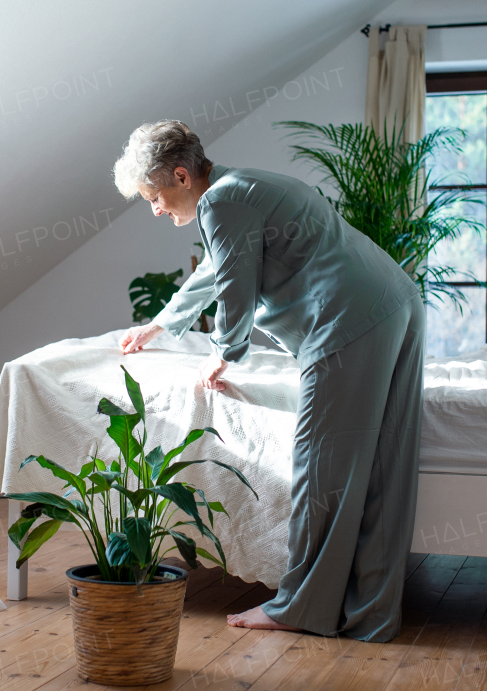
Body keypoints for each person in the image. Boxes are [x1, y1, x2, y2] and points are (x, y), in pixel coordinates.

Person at [113, 120, 425, 643]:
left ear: (182, 176)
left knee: (321, 461)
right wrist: (162, 324)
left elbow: (235, 286)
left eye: (153, 197)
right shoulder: (238, 186)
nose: (156, 209)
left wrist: (224, 353)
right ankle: (371, 609)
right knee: (380, 468)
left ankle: (301, 606)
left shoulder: (221, 203)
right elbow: (217, 268)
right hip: (394, 301)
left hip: (348, 319)